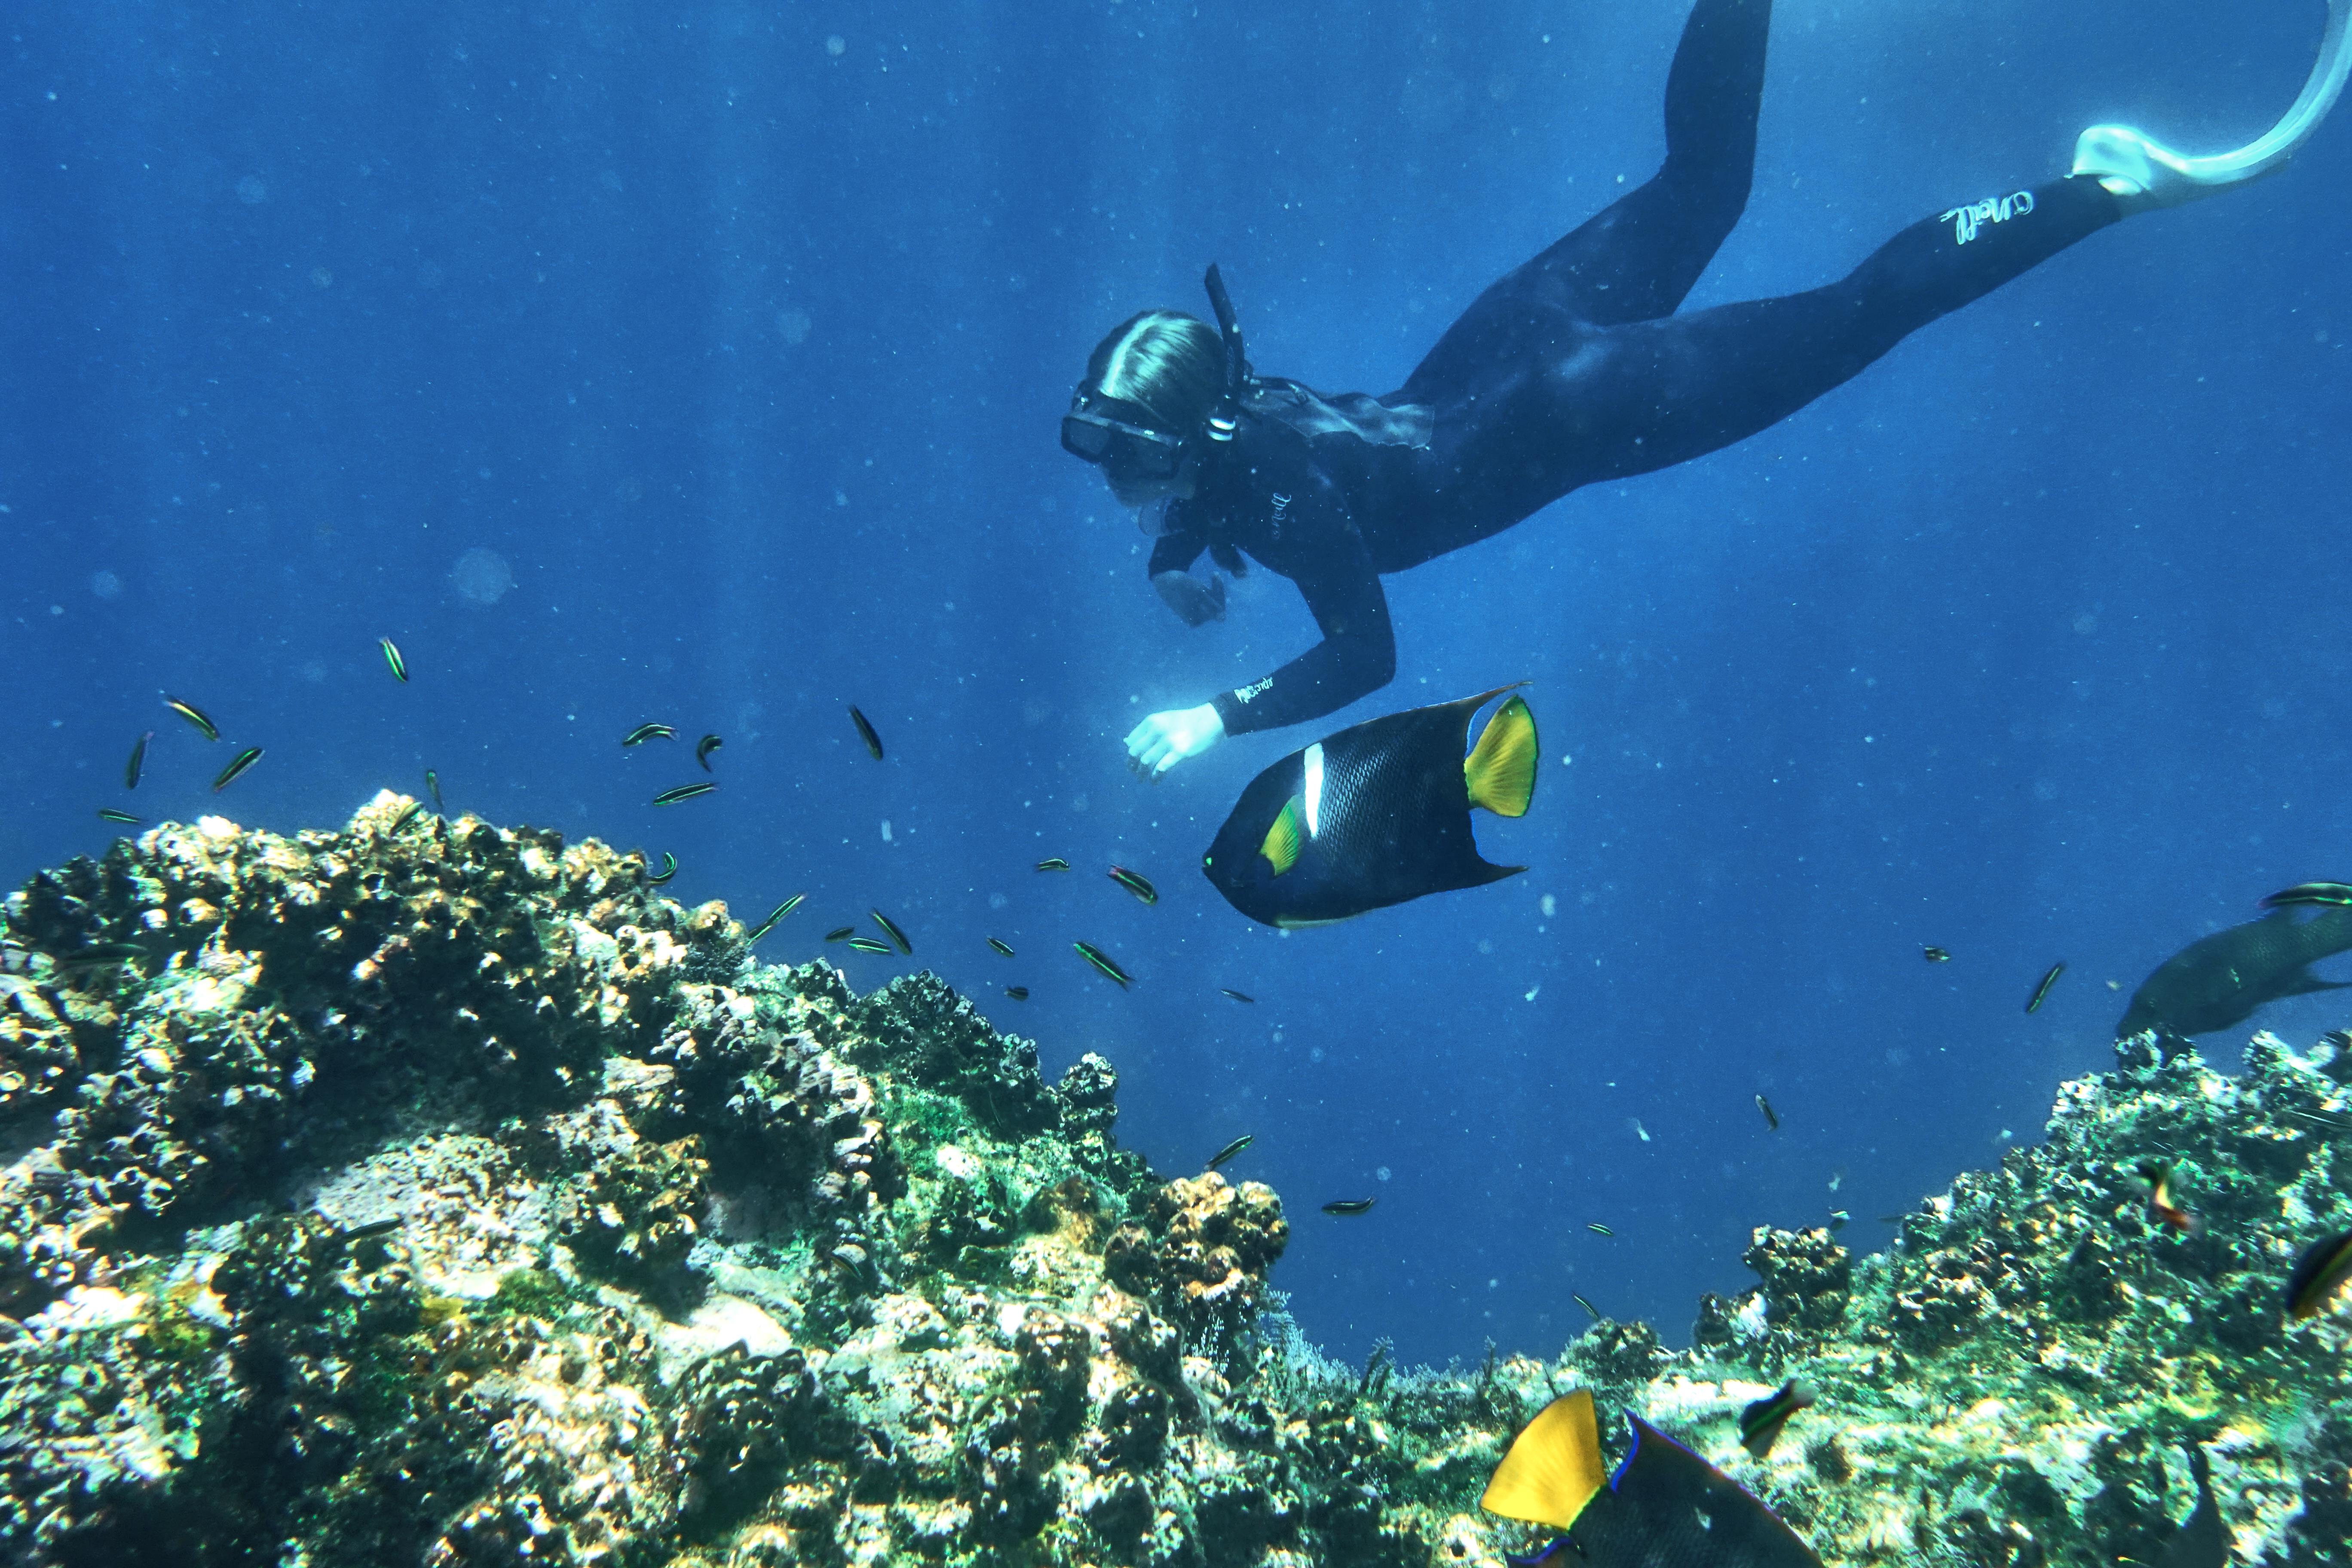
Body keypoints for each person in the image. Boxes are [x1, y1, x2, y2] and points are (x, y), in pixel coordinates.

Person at [1063, 0, 2351, 779]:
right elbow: (1213, 473)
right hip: (1512, 339)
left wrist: (1215, 716)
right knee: (1702, 184)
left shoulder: (1277, 494)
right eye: (1098, 446)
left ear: (1195, 432)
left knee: (1855, 319)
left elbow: (1365, 652)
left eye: (1122, 449)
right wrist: (1175, 539)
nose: (1107, 473)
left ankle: (2107, 185)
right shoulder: (1232, 418)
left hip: (1575, 403)